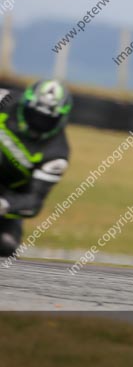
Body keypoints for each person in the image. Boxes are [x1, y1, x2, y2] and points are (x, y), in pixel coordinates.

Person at [0, 80, 72, 257]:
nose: (38, 123)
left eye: (47, 120)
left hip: (8, 195)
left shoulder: (57, 154)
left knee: (6, 245)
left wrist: (4, 204)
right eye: (34, 115)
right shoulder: (5, 99)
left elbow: (34, 201)